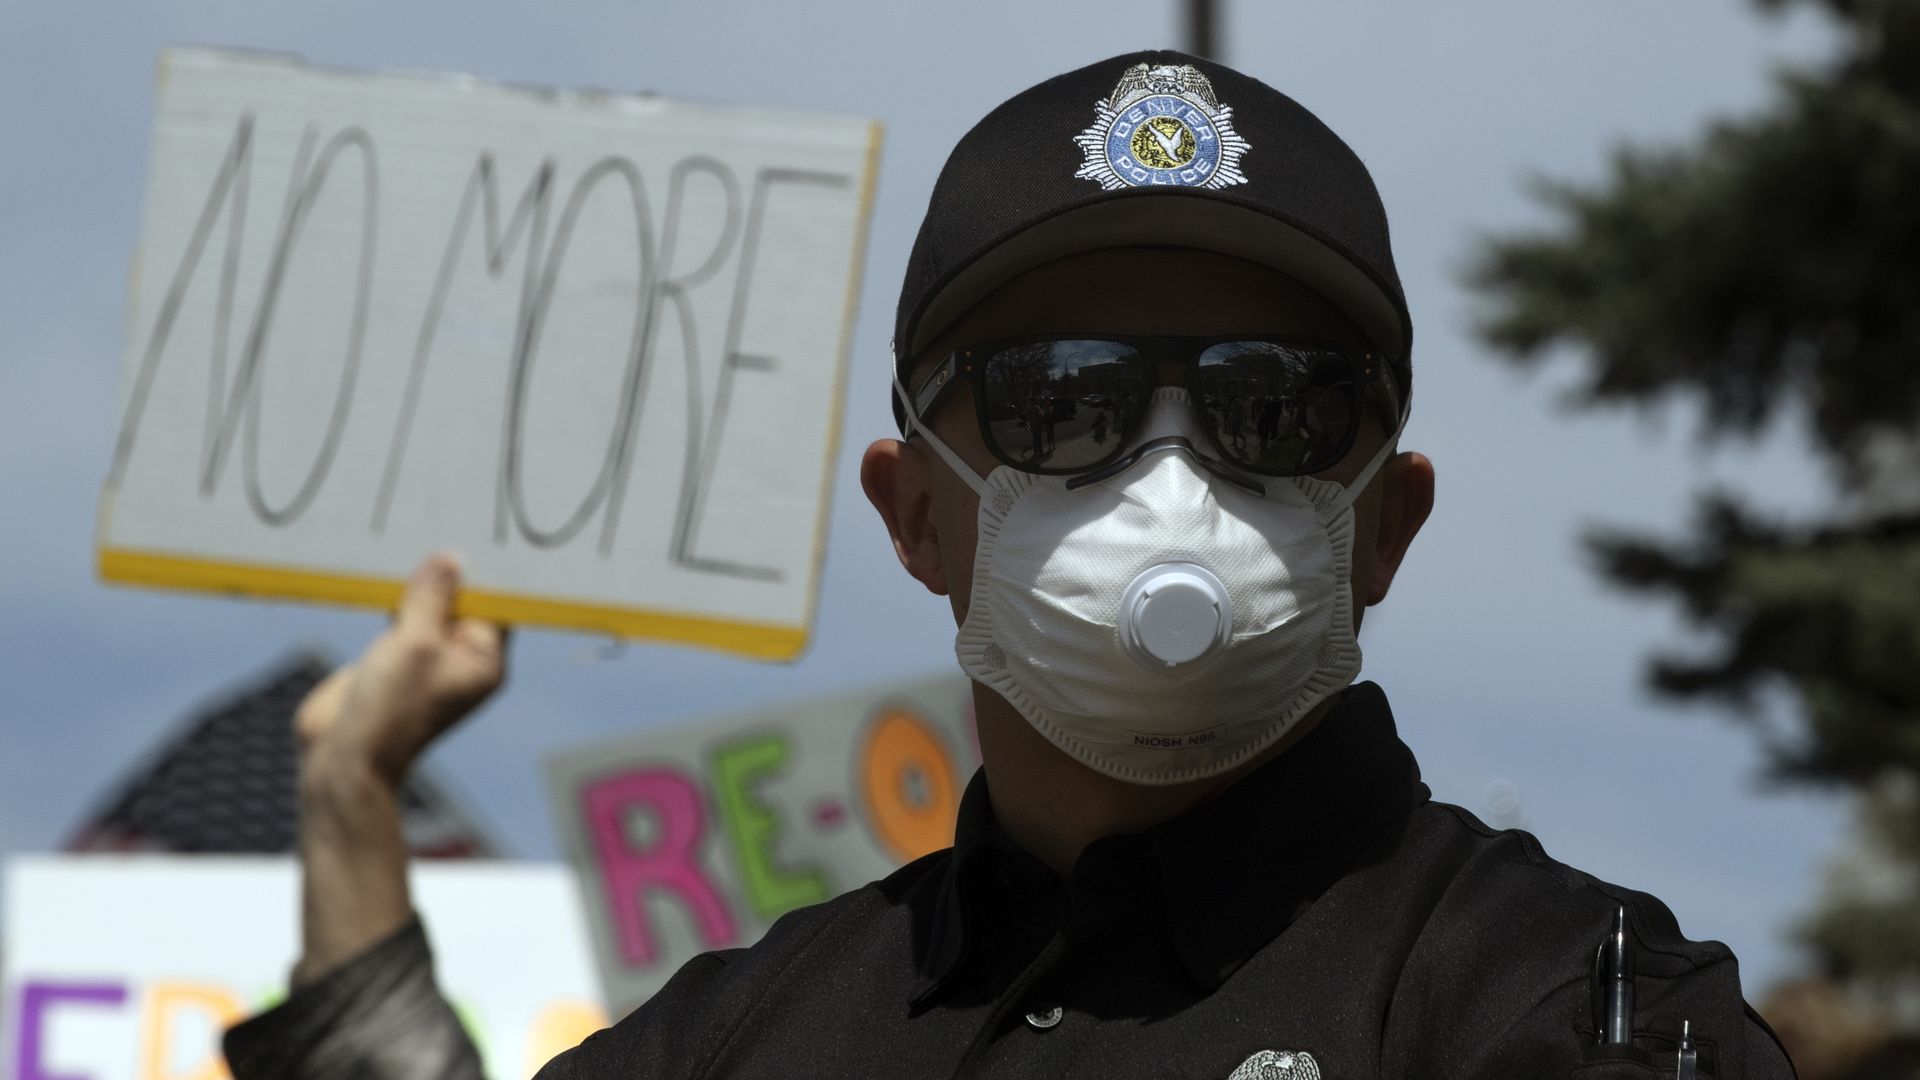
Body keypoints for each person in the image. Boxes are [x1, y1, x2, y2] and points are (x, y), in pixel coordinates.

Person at [223, 51, 1796, 1079]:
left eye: (1273, 403)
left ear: (1385, 522)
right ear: (917, 514)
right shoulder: (735, 1041)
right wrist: (352, 802)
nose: (1172, 478)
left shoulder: (1570, 1010)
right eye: (1063, 401)